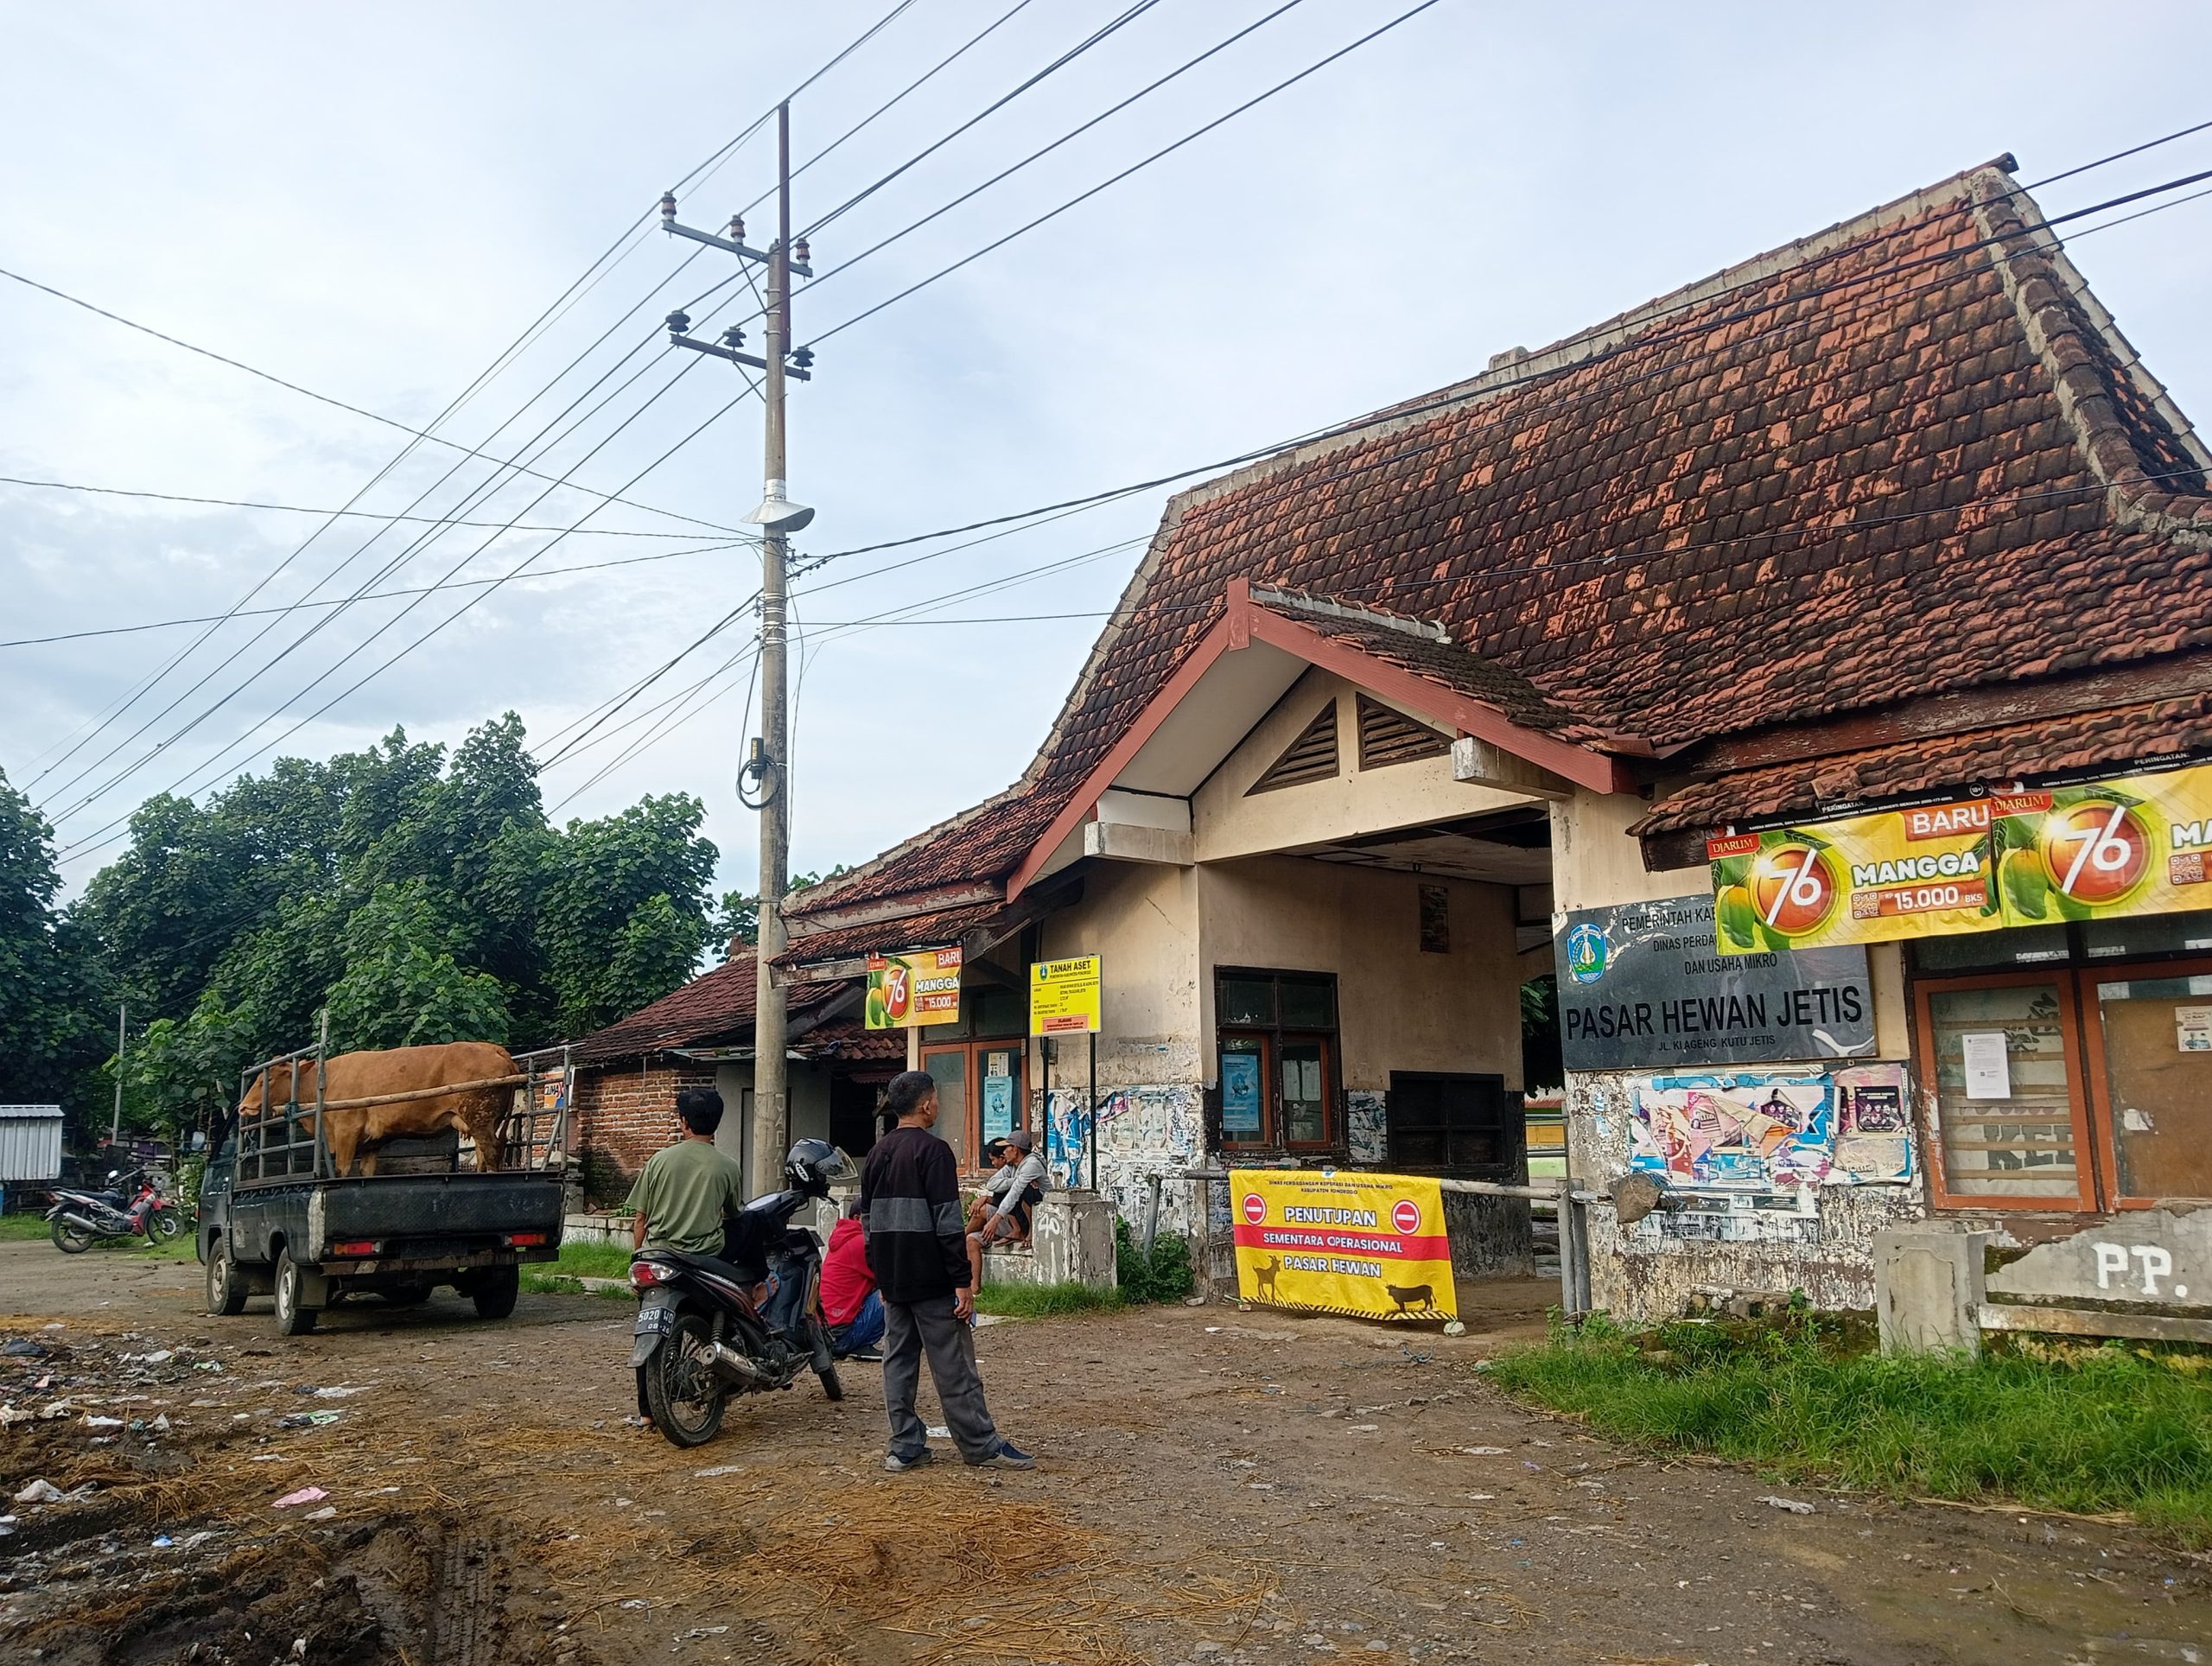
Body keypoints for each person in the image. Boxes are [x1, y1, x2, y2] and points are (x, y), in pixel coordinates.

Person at [861, 1070, 1033, 1472]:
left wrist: (881, 1276)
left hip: (895, 1279)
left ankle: (904, 1446)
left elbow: (868, 1225)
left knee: (898, 1363)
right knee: (954, 1365)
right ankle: (981, 1445)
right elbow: (946, 1223)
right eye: (936, 1098)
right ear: (925, 1106)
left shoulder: (877, 1153)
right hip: (934, 1279)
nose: (938, 1104)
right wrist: (962, 1281)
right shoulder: (934, 1152)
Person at [626, 1089, 748, 1256]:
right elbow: (734, 1213)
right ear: (717, 1122)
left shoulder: (658, 1161)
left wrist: (637, 1257)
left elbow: (640, 1218)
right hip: (707, 1255)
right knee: (753, 1222)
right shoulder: (729, 1167)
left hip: (658, 1254)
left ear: (684, 1121)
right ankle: (759, 1279)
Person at [967, 1129, 1046, 1289]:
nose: (1004, 1152)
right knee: (971, 1240)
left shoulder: (1031, 1164)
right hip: (1014, 1215)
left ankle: (1026, 1232)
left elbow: (1015, 1193)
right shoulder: (1012, 1167)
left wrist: (994, 1220)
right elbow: (992, 1184)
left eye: (1006, 1148)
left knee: (1020, 1190)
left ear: (1015, 1149)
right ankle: (975, 1290)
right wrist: (1013, 1181)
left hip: (1039, 1215)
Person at [820, 1199, 884, 1359]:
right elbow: (891, 1275)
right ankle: (861, 1344)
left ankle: (860, 1345)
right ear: (857, 1218)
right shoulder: (860, 1243)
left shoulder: (843, 1239)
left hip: (828, 1332)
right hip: (841, 1336)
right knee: (894, 1292)